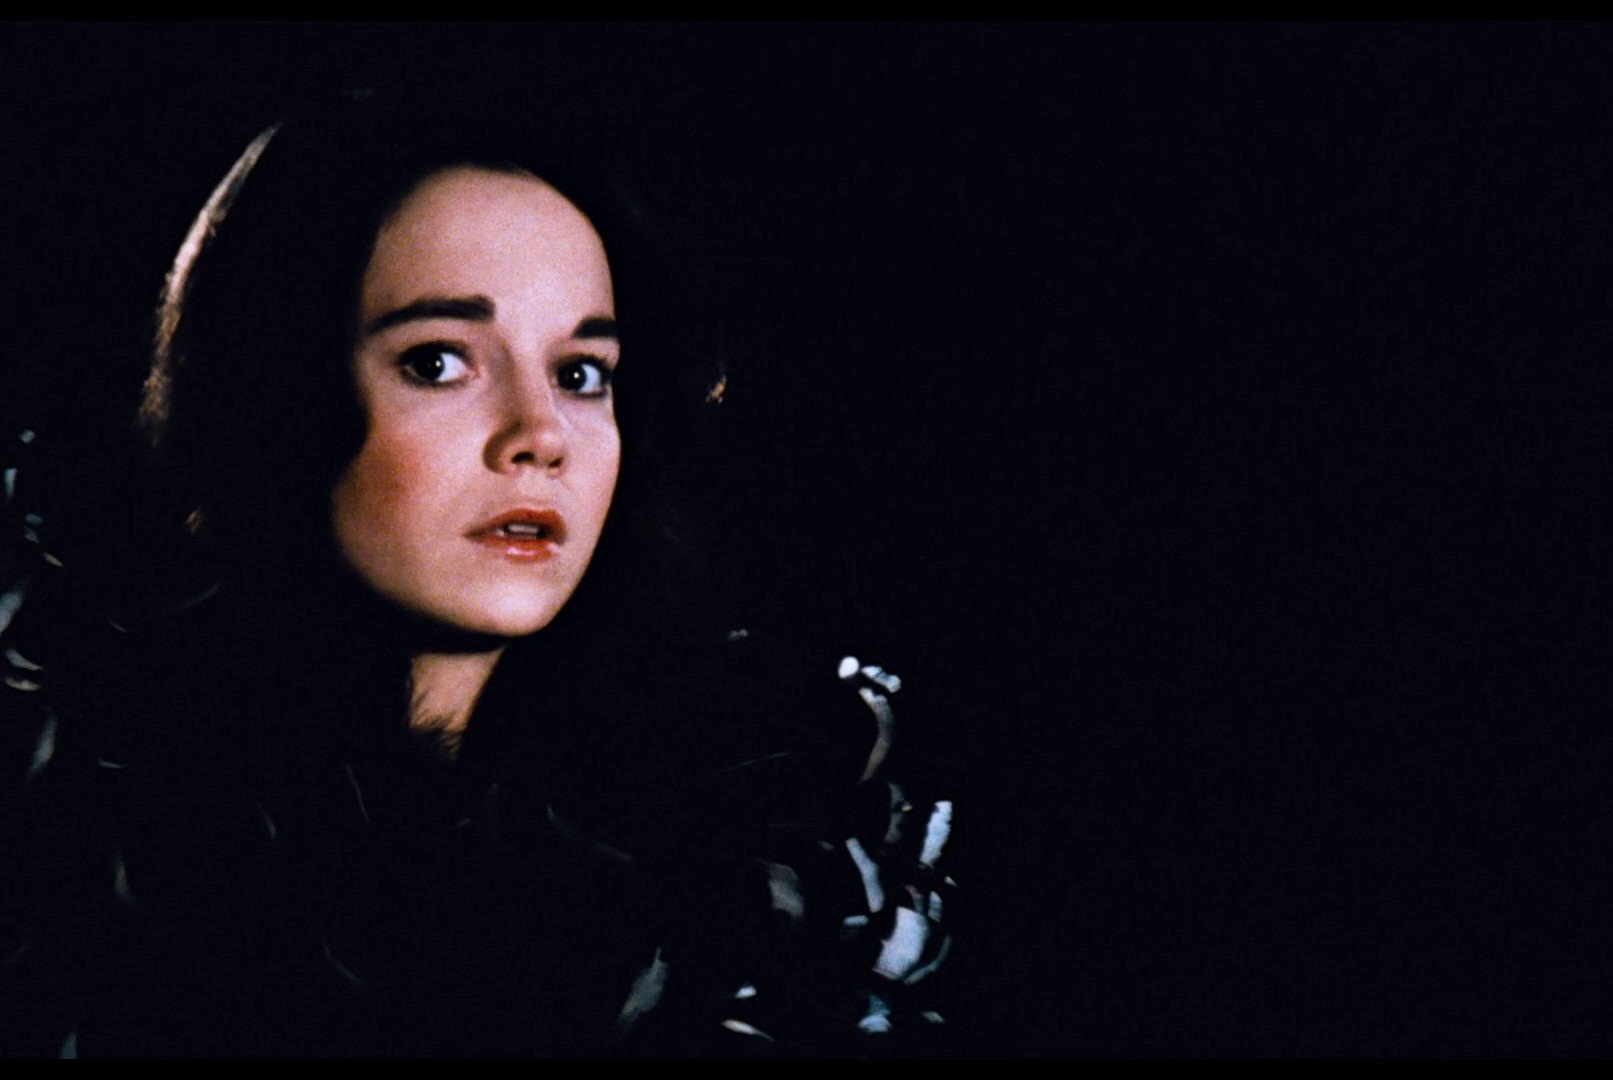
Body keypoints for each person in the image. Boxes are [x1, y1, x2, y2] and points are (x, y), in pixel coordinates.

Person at [0, 91, 954, 1058]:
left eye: (581, 373)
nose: (541, 435)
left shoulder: (746, 859)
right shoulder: (66, 838)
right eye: (439, 361)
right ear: (274, 391)